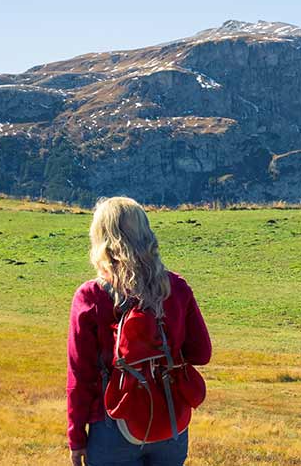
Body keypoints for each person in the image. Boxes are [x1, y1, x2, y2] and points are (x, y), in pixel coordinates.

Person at [68, 197, 212, 466]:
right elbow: (201, 353)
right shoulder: (176, 287)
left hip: (113, 423)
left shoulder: (91, 296)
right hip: (170, 420)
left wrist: (76, 438)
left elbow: (80, 376)